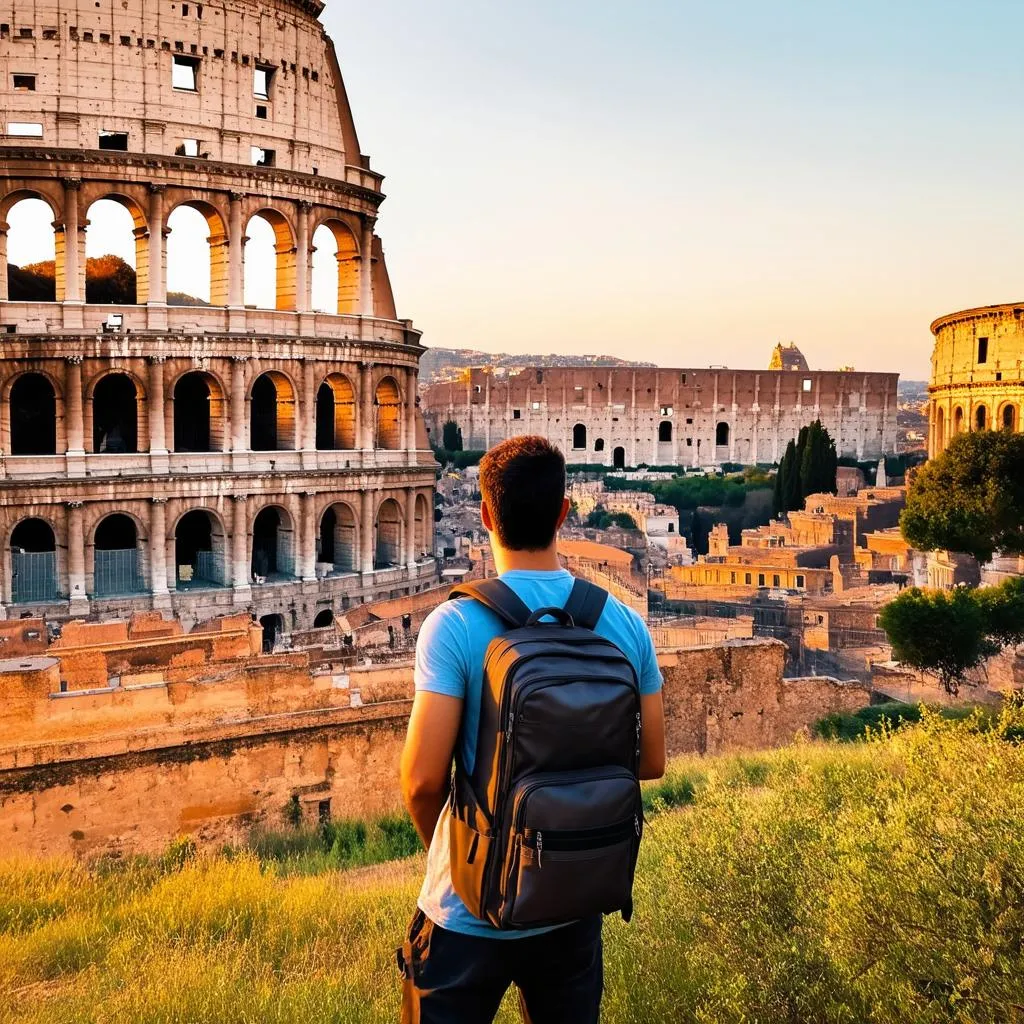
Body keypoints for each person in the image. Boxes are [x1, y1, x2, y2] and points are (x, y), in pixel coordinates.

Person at [399, 435, 666, 1023]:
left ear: (486, 514)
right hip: (572, 903)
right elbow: (649, 764)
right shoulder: (623, 623)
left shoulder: (453, 625)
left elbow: (421, 783)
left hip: (465, 917)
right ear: (564, 513)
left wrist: (463, 858)